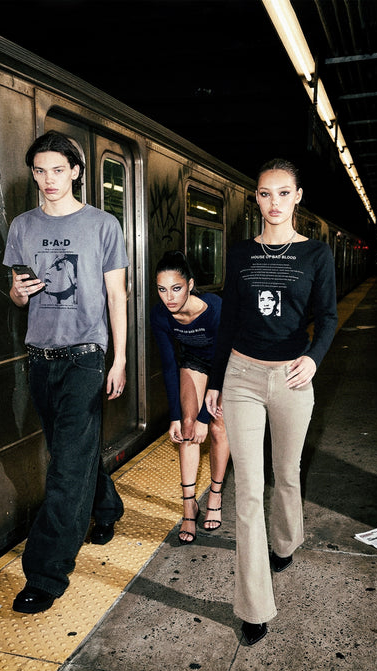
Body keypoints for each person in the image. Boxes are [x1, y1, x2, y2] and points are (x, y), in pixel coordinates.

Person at [206, 159, 337, 645]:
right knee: (247, 490)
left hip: (292, 378)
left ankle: (285, 540)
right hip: (242, 374)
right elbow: (229, 320)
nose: (274, 202)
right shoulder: (241, 253)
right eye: (265, 194)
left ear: (298, 197)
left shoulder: (316, 254)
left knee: (286, 472)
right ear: (256, 198)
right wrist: (216, 380)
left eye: (283, 193)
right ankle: (254, 606)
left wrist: (314, 360)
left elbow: (328, 317)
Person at [3, 130, 129, 613]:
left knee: (65, 468)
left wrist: (118, 358)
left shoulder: (103, 225)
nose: (49, 179)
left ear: (76, 171)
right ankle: (106, 506)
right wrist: (20, 292)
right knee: (69, 454)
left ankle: (45, 574)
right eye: (40, 171)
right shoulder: (22, 226)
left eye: (58, 170)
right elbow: (16, 294)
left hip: (85, 357)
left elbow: (116, 296)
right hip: (40, 356)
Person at [151, 250, 230, 544]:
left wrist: (205, 417)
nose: (169, 297)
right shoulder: (160, 314)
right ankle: (189, 507)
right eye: (162, 289)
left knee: (217, 427)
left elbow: (223, 359)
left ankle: (215, 495)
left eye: (176, 288)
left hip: (225, 366)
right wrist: (175, 415)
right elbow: (169, 365)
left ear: (190, 284)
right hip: (193, 361)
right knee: (187, 427)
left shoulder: (216, 309)